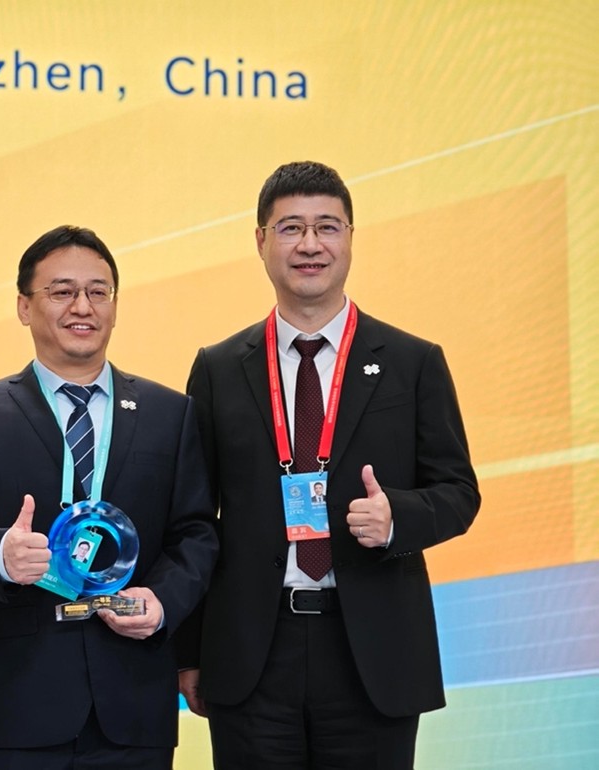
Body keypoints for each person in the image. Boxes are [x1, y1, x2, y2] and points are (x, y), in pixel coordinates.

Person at [177, 161, 480, 769]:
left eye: (327, 227)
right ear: (261, 241)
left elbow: (458, 492)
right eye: (290, 228)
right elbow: (190, 519)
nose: (310, 244)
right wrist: (188, 652)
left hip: (373, 651)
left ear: (350, 238)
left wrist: (398, 518)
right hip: (251, 654)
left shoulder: (413, 361)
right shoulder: (218, 368)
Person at [0, 224, 219, 769]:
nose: (82, 306)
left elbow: (196, 532)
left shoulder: (170, 413)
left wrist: (163, 601)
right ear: (24, 306)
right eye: (62, 291)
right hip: (15, 703)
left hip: (132, 702)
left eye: (98, 291)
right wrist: (2, 553)